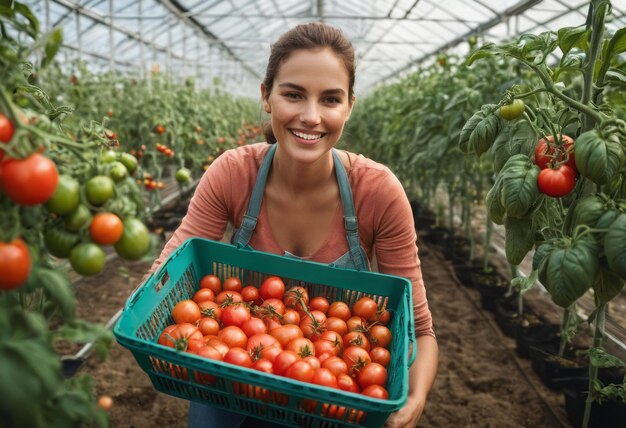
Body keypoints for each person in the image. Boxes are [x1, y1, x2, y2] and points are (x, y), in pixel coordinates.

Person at [146, 22, 438, 428]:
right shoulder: (234, 173)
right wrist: (151, 308)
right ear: (266, 97)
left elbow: (420, 330)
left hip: (333, 399)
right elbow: (166, 273)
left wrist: (416, 398)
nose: (311, 116)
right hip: (229, 383)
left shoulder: (377, 191)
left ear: (349, 106)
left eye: (330, 99)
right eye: (293, 94)